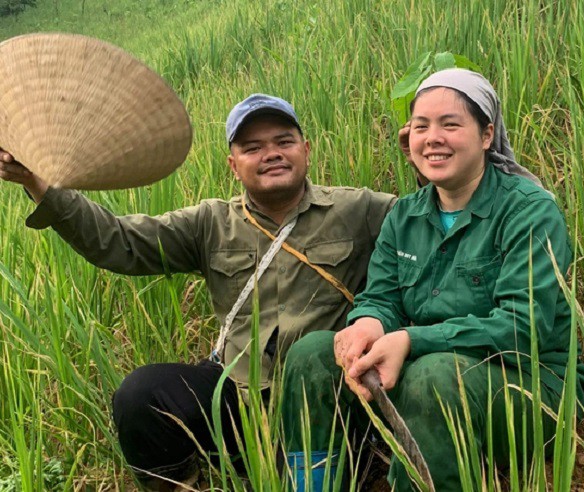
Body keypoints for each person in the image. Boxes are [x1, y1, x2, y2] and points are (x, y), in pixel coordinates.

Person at [0, 94, 395, 490]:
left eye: (284, 141)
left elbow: (425, 222)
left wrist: (422, 163)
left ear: (306, 150)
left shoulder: (358, 209)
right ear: (233, 166)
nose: (271, 154)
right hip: (239, 395)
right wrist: (38, 183)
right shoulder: (210, 223)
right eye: (252, 148)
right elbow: (118, 241)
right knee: (142, 395)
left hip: (327, 398)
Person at [281, 69, 584, 491]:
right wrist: (369, 323)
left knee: (434, 376)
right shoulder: (404, 215)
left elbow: (524, 326)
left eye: (450, 124)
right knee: (313, 353)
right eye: (421, 126)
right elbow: (382, 296)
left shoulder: (529, 211)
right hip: (430, 376)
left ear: (486, 134)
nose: (433, 137)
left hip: (530, 387)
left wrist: (411, 340)